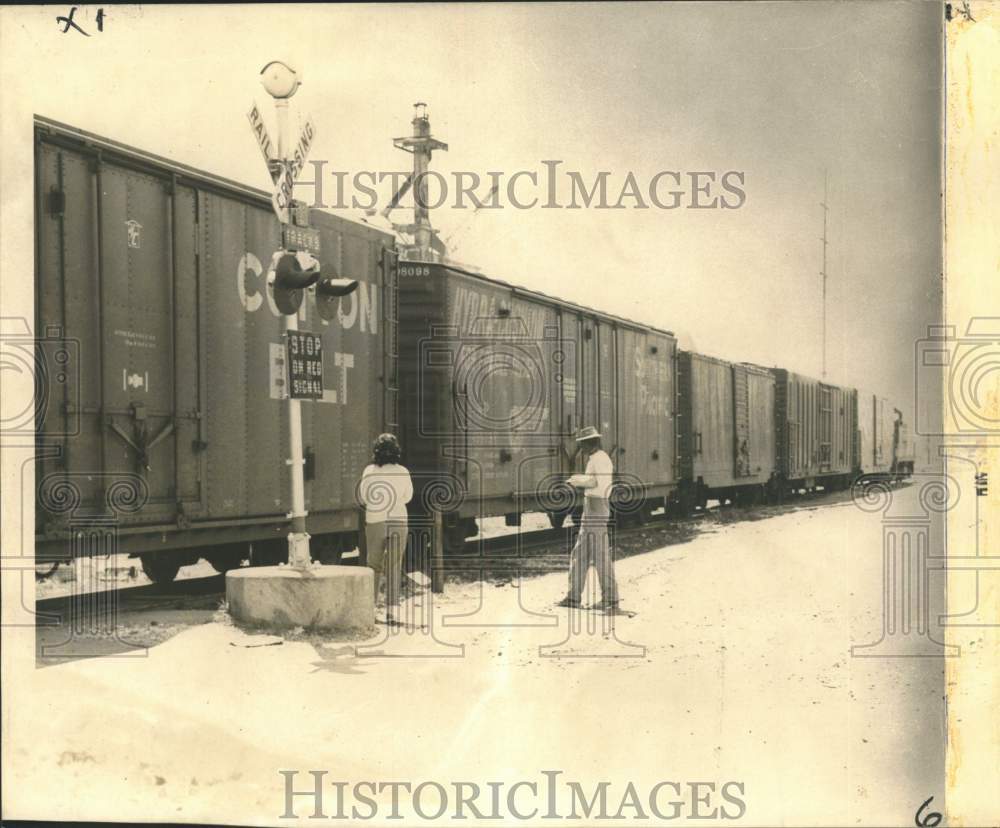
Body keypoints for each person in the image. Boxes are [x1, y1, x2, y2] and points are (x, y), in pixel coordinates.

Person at [557, 426, 620, 609]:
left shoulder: (600, 459)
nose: (582, 448)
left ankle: (610, 599)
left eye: (583, 443)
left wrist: (576, 480)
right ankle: (573, 597)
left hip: (596, 506)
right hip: (591, 506)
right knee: (580, 553)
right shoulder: (597, 458)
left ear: (589, 443)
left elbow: (595, 482)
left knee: (600, 554)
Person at [357, 433, 413, 617]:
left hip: (375, 520)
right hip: (398, 520)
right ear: (396, 451)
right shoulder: (403, 471)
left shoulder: (369, 471)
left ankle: (370, 609)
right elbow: (408, 497)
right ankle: (392, 610)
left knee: (373, 565)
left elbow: (364, 497)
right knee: (394, 564)